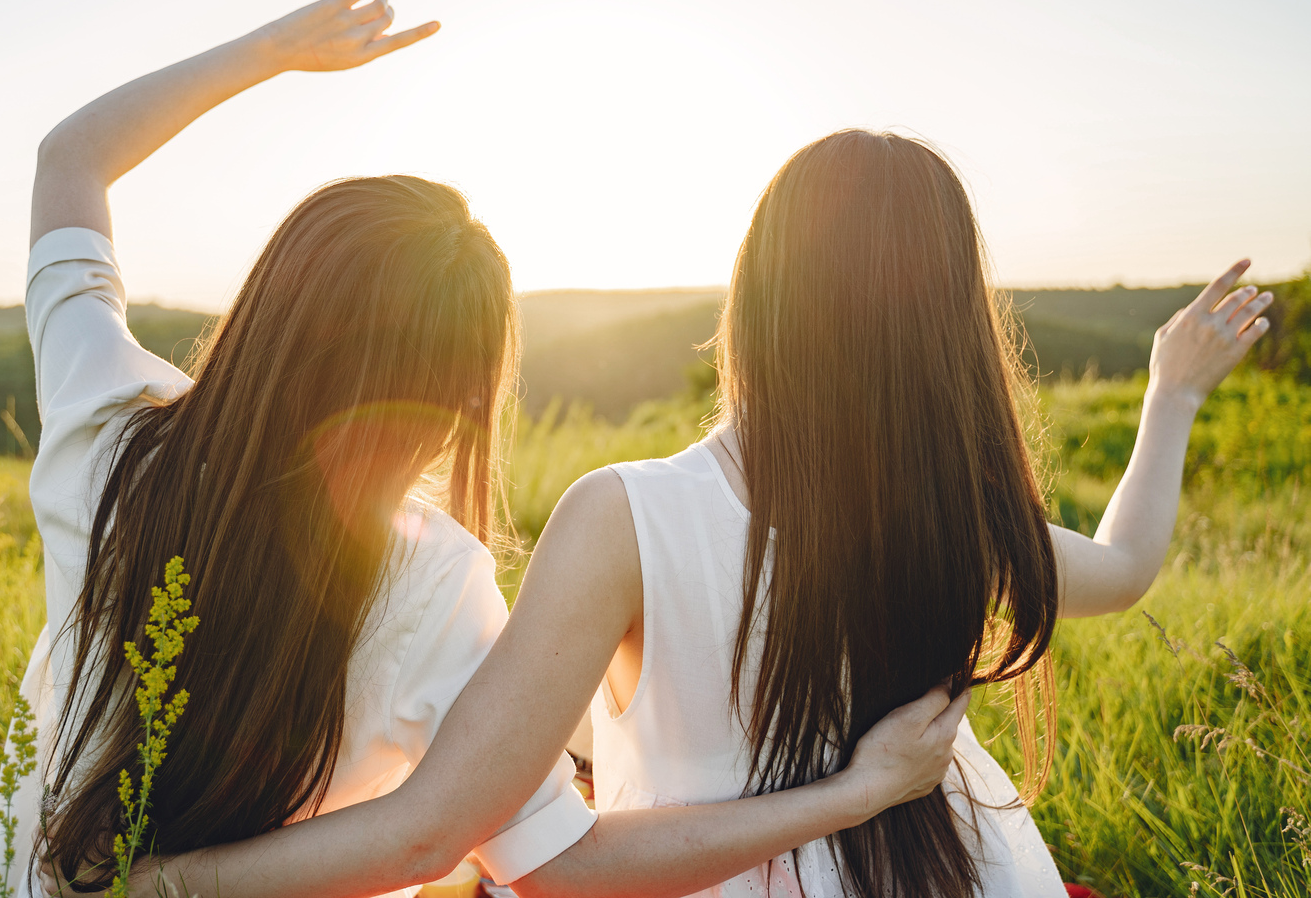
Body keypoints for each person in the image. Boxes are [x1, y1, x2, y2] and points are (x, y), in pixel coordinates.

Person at [69, 129, 1270, 898]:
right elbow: (1125, 565)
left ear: (754, 294)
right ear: (953, 328)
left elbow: (485, 835)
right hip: (967, 865)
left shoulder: (622, 519)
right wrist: (1168, 394)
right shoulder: (957, 523)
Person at [0, 0, 965, 898]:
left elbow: (71, 157)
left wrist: (272, 50)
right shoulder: (437, 587)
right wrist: (856, 792)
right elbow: (545, 867)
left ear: (271, 307)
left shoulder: (108, 424)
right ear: (460, 397)